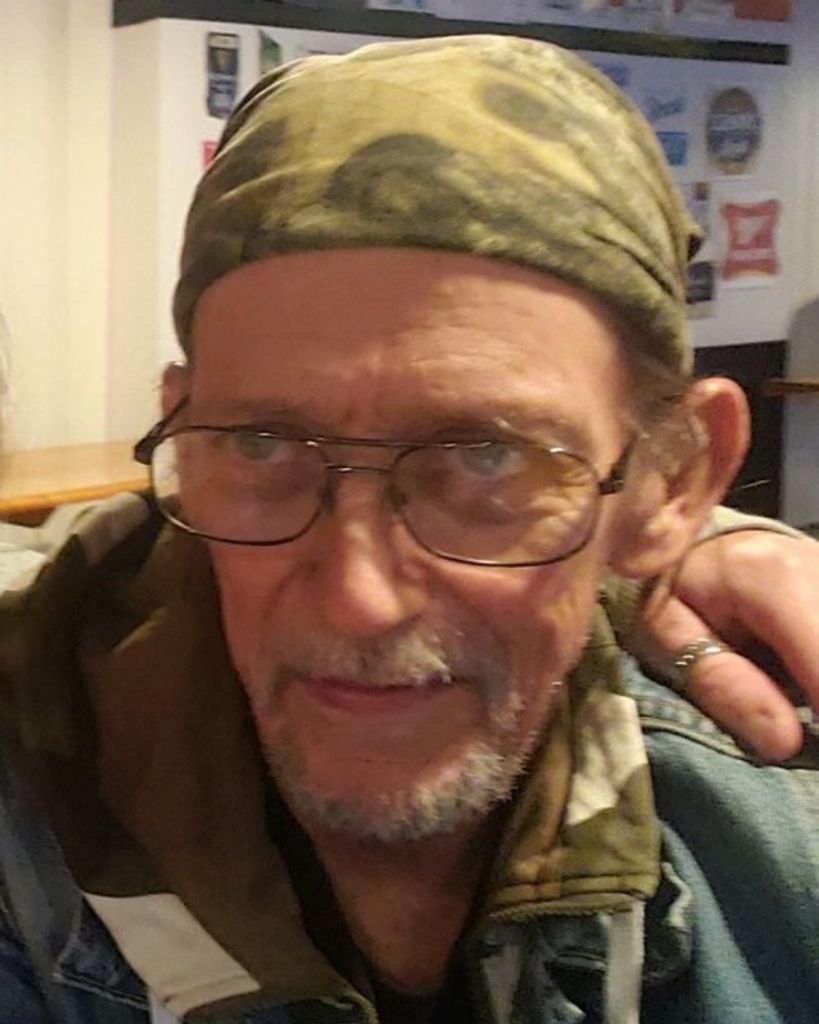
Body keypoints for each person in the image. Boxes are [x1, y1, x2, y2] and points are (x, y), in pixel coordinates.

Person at [0, 34, 817, 1024]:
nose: (359, 598)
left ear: (670, 479)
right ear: (185, 430)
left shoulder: (775, 847)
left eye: (487, 457)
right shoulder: (31, 781)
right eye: (262, 443)